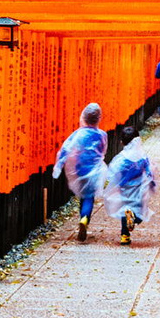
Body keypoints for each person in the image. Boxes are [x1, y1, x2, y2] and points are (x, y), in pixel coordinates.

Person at [52, 102, 108, 241]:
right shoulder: (102, 135)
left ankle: (82, 219)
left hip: (80, 169)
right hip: (94, 170)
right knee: (89, 197)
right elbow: (103, 151)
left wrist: (58, 167)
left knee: (83, 196)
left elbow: (65, 149)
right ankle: (84, 219)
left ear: (83, 117)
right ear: (98, 118)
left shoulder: (78, 134)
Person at [101, 126, 158, 245]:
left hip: (124, 188)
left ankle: (125, 235)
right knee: (140, 211)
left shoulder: (122, 157)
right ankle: (133, 219)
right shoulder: (142, 156)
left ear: (122, 142)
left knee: (125, 209)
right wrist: (151, 182)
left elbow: (113, 171)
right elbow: (149, 170)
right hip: (139, 188)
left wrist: (114, 183)